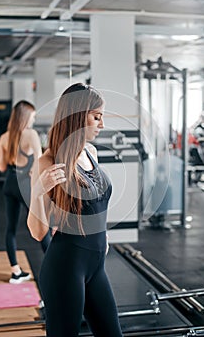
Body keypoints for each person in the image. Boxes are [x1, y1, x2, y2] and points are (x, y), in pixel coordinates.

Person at [27, 83, 123, 337]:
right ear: (78, 116)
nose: (101, 124)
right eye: (96, 116)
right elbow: (38, 233)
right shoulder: (47, 162)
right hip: (65, 268)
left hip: (96, 266)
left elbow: (96, 204)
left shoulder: (91, 153)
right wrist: (37, 191)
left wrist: (103, 235)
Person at [0, 100, 51, 284]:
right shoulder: (31, 134)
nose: (33, 121)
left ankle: (15, 272)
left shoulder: (5, 137)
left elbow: (2, 167)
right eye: (33, 117)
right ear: (26, 116)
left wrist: (0, 150)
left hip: (10, 183)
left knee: (10, 229)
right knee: (42, 227)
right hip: (26, 184)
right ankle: (56, 268)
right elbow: (38, 162)